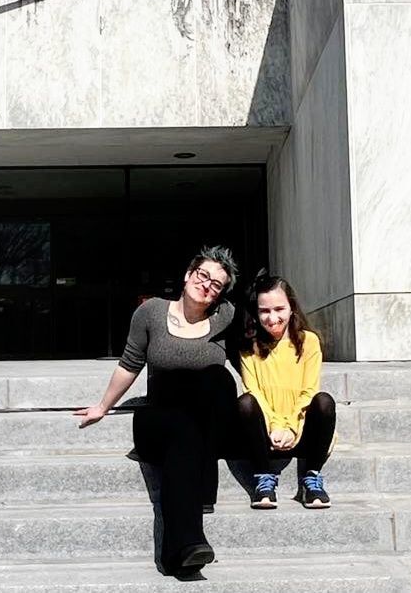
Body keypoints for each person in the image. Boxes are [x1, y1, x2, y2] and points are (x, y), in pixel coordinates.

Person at [75, 246, 238, 576]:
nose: (206, 284)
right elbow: (130, 363)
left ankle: (184, 548)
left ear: (220, 295)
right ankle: (197, 510)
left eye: (216, 284)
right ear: (188, 275)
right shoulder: (151, 312)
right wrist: (103, 406)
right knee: (182, 425)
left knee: (217, 380)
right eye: (202, 275)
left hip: (196, 426)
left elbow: (252, 355)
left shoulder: (226, 317)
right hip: (156, 418)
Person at [236, 274, 336, 509]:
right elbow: (254, 391)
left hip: (300, 429)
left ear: (292, 308)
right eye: (264, 311)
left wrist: (290, 426)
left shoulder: (308, 341)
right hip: (267, 435)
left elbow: (309, 390)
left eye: (279, 309)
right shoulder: (249, 346)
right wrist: (275, 426)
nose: (272, 318)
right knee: (245, 403)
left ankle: (311, 479)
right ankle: (264, 478)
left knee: (324, 402)